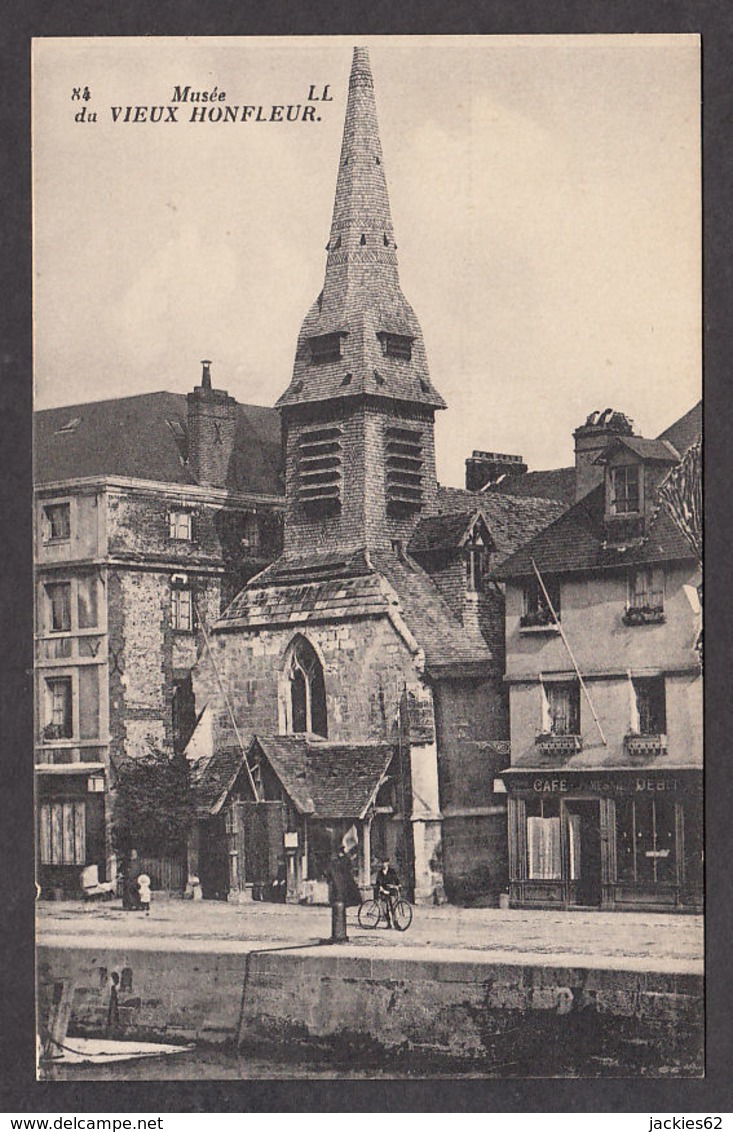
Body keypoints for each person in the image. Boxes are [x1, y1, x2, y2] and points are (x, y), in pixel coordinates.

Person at [374, 859, 401, 928]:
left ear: (388, 863)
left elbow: (396, 880)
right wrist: (381, 889)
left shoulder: (392, 871)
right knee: (384, 908)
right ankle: (388, 923)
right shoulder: (380, 872)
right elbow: (378, 883)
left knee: (393, 908)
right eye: (382, 862)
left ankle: (396, 923)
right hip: (383, 892)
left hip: (391, 891)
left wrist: (398, 885)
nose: (384, 864)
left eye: (385, 863)